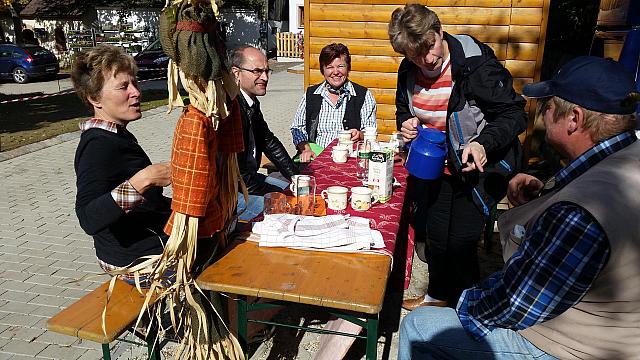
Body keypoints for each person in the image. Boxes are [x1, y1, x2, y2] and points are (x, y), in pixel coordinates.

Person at [398, 56, 640, 359]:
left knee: (420, 326)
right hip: (620, 331)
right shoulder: (626, 156)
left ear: (575, 118)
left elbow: (518, 304)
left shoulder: (583, 211)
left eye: (549, 106)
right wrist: (546, 197)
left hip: (575, 348)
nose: (544, 113)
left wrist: (463, 302)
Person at [388, 3, 527, 309]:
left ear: (439, 30)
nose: (426, 59)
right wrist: (406, 123)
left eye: (429, 46)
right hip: (436, 165)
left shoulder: (474, 65)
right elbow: (402, 107)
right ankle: (437, 298)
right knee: (437, 236)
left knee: (461, 246)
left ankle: (468, 310)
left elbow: (514, 113)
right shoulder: (408, 70)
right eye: (414, 55)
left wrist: (483, 144)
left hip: (477, 167)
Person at [71, 45, 172, 284]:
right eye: (123, 87)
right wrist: (142, 181)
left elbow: (146, 206)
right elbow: (88, 217)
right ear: (94, 97)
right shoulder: (98, 146)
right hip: (137, 262)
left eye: (135, 83)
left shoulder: (116, 135)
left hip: (145, 246)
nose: (136, 92)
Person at [230, 45, 298, 221]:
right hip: (231, 195)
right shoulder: (230, 108)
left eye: (267, 71)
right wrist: (276, 194)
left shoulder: (250, 102)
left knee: (297, 191)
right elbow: (238, 175)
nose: (265, 77)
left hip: (250, 181)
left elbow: (269, 142)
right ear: (236, 73)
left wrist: (296, 177)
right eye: (257, 71)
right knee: (293, 210)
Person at [290, 43, 377, 162]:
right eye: (329, 67)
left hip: (350, 158)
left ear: (348, 68)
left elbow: (370, 131)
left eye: (341, 66)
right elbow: (297, 128)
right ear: (323, 70)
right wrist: (306, 149)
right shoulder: (311, 94)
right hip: (316, 157)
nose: (335, 72)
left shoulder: (363, 95)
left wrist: (360, 134)